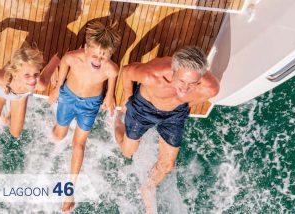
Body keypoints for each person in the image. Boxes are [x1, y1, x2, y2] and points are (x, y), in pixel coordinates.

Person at [114, 47, 220, 213]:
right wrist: (129, 100)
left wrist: (181, 104)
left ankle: (148, 187)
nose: (185, 89)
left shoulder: (209, 87)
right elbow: (127, 72)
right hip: (144, 108)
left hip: (174, 115)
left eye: (193, 83)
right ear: (173, 71)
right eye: (182, 82)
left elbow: (205, 94)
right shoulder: (153, 75)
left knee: (167, 165)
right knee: (127, 152)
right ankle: (117, 122)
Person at [48, 21, 121, 212]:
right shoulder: (73, 57)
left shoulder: (111, 69)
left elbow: (112, 81)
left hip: (90, 105)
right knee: (59, 135)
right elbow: (64, 63)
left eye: (104, 56)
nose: (98, 60)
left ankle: (69, 191)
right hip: (68, 98)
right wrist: (57, 88)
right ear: (85, 48)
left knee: (79, 144)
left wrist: (109, 95)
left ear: (110, 54)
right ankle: (55, 133)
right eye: (95, 55)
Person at [0, 46, 59, 138]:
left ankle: (10, 110)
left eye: (36, 74)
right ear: (15, 74)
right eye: (27, 75)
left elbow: (58, 56)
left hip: (19, 97)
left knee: (15, 133)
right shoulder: (0, 79)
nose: (33, 80)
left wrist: (55, 67)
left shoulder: (40, 85)